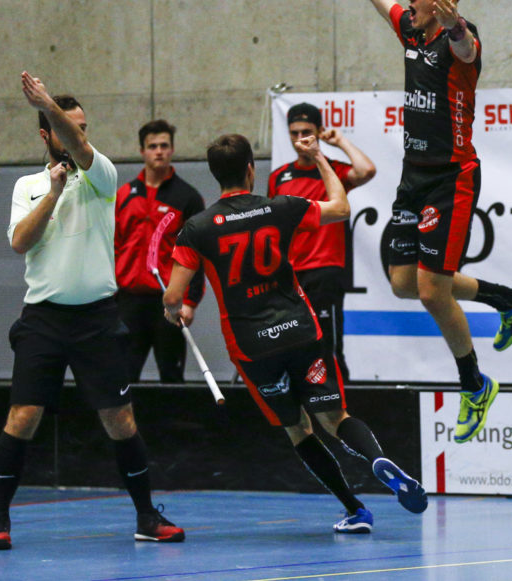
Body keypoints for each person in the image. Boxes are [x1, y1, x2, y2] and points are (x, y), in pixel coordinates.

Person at [326, 0, 512, 443]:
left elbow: (468, 51)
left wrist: (458, 26)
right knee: (404, 282)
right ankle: (508, 299)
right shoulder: (412, 32)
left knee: (430, 289)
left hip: (452, 176)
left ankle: (474, 384)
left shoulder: (456, 37)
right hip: (412, 175)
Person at [163, 133, 427, 533]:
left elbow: (174, 294)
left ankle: (354, 508)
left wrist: (174, 311)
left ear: (216, 176)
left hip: (252, 346)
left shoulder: (197, 228)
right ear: (251, 169)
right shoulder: (279, 207)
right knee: (335, 416)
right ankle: (375, 459)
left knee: (298, 428)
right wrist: (320, 157)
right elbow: (340, 207)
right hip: (301, 330)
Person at [0, 72, 183, 550]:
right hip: (43, 319)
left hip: (96, 318)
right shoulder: (27, 186)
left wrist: (53, 108)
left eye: (83, 128)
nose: (79, 136)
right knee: (23, 416)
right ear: (44, 135)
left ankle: (146, 516)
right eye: (65, 126)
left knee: (120, 418)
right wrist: (52, 194)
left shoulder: (102, 176)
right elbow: (19, 243)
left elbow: (79, 146)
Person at [268, 102, 377, 381]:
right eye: (294, 133)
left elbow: (366, 171)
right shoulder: (278, 177)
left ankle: (343, 410)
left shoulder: (333, 172)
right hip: (290, 274)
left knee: (327, 346)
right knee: (294, 345)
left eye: (307, 131)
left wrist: (339, 141)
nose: (299, 139)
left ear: (318, 132)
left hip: (325, 270)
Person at [114, 119, 206, 383]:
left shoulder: (187, 197)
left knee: (171, 375)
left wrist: (189, 302)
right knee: (123, 377)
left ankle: (172, 426)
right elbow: (114, 246)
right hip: (128, 302)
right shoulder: (124, 195)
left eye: (164, 145)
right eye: (152, 146)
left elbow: (196, 255)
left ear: (172, 149)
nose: (159, 151)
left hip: (169, 302)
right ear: (142, 151)